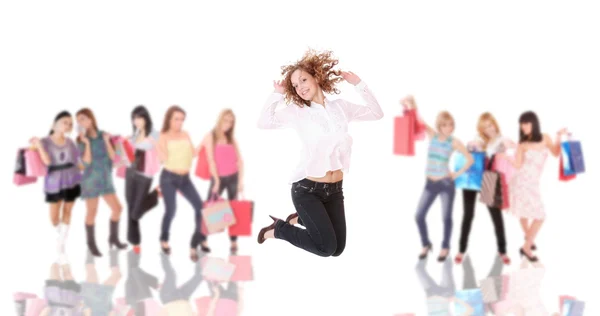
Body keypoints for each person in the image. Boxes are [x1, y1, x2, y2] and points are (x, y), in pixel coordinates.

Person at [255, 49, 384, 257]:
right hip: (307, 190)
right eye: (295, 85)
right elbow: (263, 123)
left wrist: (358, 83)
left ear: (316, 76)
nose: (300, 88)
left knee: (338, 249)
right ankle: (279, 229)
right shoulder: (298, 113)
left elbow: (377, 114)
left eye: (303, 80)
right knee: (326, 248)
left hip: (335, 190)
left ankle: (301, 219)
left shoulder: (341, 107)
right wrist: (277, 94)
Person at [402, 96, 473, 262]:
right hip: (430, 183)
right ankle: (426, 244)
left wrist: (455, 174)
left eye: (451, 125)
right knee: (419, 215)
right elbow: (419, 120)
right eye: (445, 124)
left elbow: (469, 159)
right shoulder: (432, 135)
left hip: (445, 183)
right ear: (439, 125)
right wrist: (412, 104)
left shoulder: (454, 142)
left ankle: (445, 247)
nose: (449, 128)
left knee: (446, 217)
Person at [497, 111, 565, 262]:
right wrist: (507, 157)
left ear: (534, 123)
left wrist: (559, 136)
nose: (524, 127)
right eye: (522, 124)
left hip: (533, 182)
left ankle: (528, 239)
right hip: (521, 182)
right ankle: (527, 246)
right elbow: (518, 165)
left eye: (526, 123)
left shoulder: (545, 138)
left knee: (534, 214)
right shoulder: (522, 143)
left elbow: (555, 153)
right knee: (533, 214)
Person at [455, 112, 514, 265]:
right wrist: (472, 145)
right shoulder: (479, 138)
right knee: (468, 214)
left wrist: (509, 146)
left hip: (488, 177)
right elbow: (473, 145)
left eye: (490, 125)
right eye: (485, 127)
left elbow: (510, 146)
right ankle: (461, 250)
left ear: (495, 123)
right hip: (473, 177)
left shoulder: (501, 140)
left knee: (495, 215)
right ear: (481, 129)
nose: (489, 129)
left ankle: (502, 250)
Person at [157, 105, 209, 262]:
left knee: (200, 207)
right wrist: (156, 145)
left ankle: (200, 237)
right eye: (176, 119)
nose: (179, 122)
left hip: (185, 179)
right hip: (169, 178)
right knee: (171, 210)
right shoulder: (164, 136)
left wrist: (204, 141)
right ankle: (164, 239)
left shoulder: (185, 134)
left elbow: (193, 154)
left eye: (182, 119)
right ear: (169, 119)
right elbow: (162, 159)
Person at [30, 111, 82, 255]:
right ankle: (60, 233)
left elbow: (78, 162)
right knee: (54, 218)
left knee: (67, 211)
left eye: (70, 124)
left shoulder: (70, 142)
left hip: (72, 179)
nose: (68, 126)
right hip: (53, 181)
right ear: (55, 124)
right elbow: (47, 161)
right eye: (65, 122)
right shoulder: (44, 141)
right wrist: (38, 146)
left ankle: (62, 242)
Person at [76, 108, 126, 257]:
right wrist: (86, 143)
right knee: (92, 212)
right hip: (91, 179)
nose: (81, 122)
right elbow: (85, 163)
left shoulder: (103, 135)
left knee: (117, 208)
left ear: (91, 119)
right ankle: (91, 244)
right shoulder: (80, 141)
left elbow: (113, 157)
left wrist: (106, 140)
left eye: (83, 118)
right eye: (78, 120)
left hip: (105, 178)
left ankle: (113, 238)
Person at [200, 109, 244, 254]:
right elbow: (211, 160)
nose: (228, 124)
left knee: (234, 209)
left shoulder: (231, 139)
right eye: (225, 120)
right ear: (220, 120)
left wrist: (240, 182)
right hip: (217, 178)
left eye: (231, 122)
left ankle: (233, 242)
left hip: (233, 177)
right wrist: (217, 180)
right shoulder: (211, 136)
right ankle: (203, 240)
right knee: (210, 208)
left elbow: (240, 161)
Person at [125, 105, 161, 254]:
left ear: (146, 118)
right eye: (134, 118)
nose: (136, 121)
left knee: (136, 212)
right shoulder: (135, 134)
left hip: (144, 176)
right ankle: (135, 242)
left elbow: (145, 146)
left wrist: (129, 142)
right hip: (131, 172)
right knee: (130, 208)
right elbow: (129, 153)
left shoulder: (154, 134)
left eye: (139, 117)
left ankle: (155, 195)